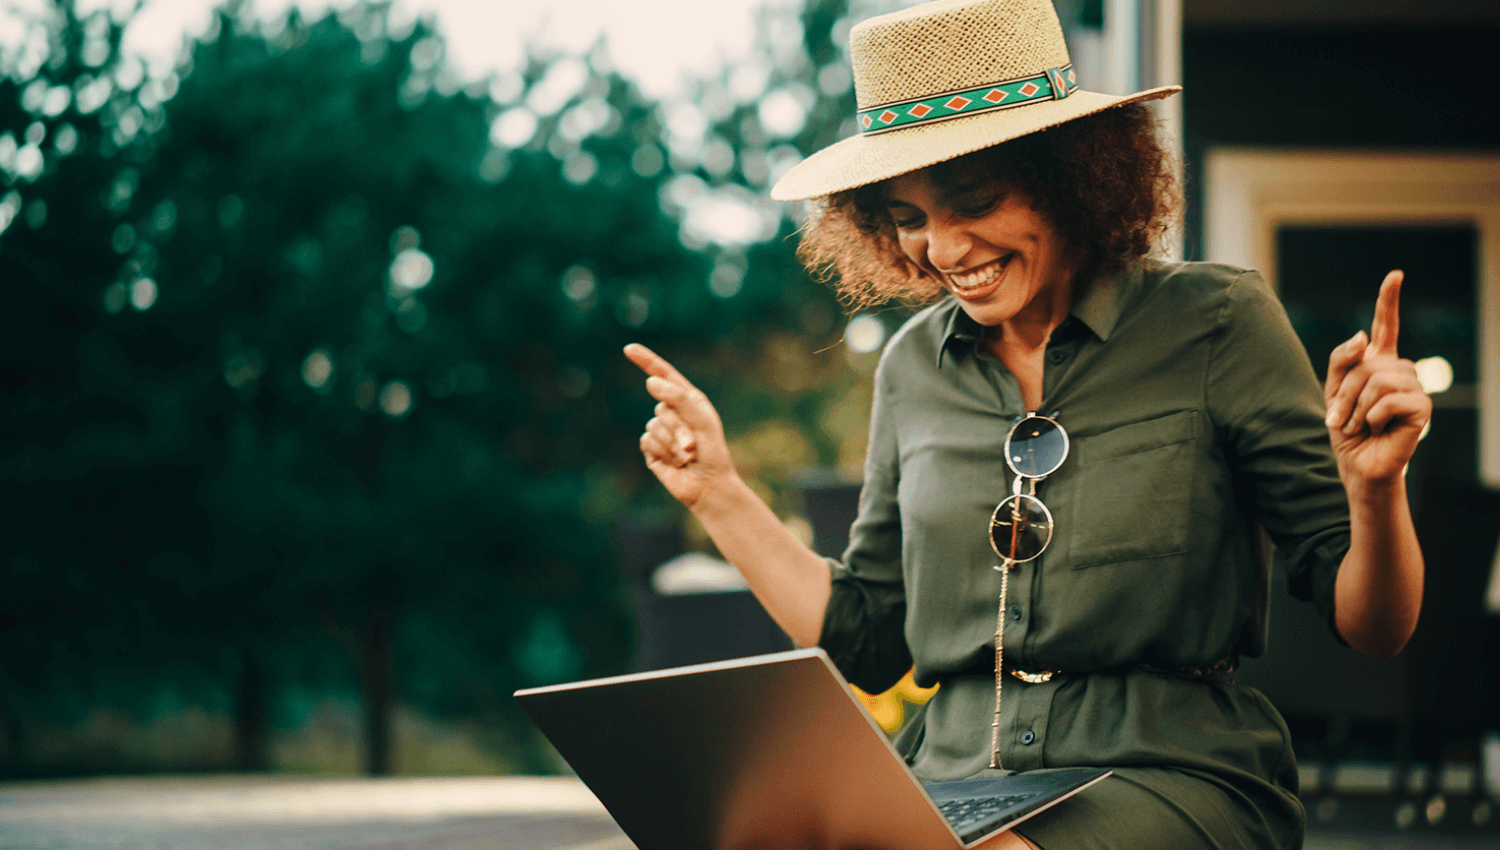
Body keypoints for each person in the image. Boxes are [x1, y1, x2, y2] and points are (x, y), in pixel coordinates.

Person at [625, 0, 1430, 847]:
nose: (941, 247)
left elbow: (1376, 629)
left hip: (1168, 774)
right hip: (952, 777)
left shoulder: (1218, 321)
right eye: (907, 218)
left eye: (972, 199)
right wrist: (717, 493)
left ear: (1073, 176)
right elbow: (867, 640)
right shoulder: (911, 366)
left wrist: (1375, 489)